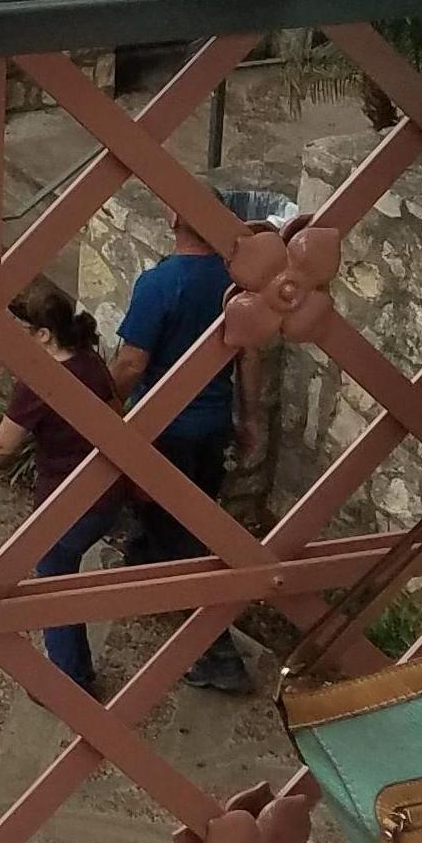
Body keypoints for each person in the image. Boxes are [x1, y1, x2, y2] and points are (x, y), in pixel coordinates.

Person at [111, 212, 262, 692]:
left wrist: (104, 409)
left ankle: (219, 657)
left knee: (181, 539)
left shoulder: (159, 283)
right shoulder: (235, 284)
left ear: (175, 221)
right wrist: (248, 418)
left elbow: (132, 362)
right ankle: (141, 570)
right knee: (187, 517)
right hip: (211, 425)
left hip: (163, 429)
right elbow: (249, 355)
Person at [0, 275, 131, 692]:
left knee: (53, 583)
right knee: (64, 581)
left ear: (43, 334)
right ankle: (76, 671)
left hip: (66, 501)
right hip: (105, 492)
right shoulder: (88, 360)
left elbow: (2, 445)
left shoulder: (38, 383)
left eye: (23, 332)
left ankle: (68, 681)